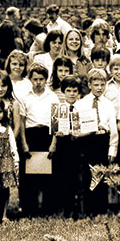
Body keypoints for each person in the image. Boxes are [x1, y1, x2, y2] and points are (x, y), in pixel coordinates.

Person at [74, 68, 118, 214]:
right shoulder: (80, 104)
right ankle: (87, 209)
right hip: (86, 141)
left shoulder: (109, 104)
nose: (99, 88)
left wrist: (112, 149)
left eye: (102, 85)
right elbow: (76, 127)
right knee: (87, 176)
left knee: (101, 175)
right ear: (90, 85)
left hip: (102, 142)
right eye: (96, 85)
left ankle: (101, 209)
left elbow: (113, 129)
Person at [19, 63, 60, 217]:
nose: (38, 82)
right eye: (35, 79)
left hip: (47, 134)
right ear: (30, 79)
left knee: (48, 174)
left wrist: (53, 143)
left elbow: (56, 123)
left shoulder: (52, 97)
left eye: (41, 79)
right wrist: (24, 143)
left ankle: (48, 209)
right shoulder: (25, 97)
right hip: (31, 135)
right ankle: (30, 209)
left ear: (46, 79)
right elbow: (22, 122)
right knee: (30, 175)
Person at [50, 75, 85, 218]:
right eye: (69, 91)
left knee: (77, 178)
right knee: (63, 177)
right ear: (63, 92)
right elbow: (53, 128)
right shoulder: (58, 108)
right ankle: (65, 209)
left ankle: (78, 209)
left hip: (79, 145)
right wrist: (54, 140)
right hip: (63, 145)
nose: (71, 94)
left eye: (75, 91)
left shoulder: (83, 107)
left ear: (79, 93)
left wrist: (79, 133)